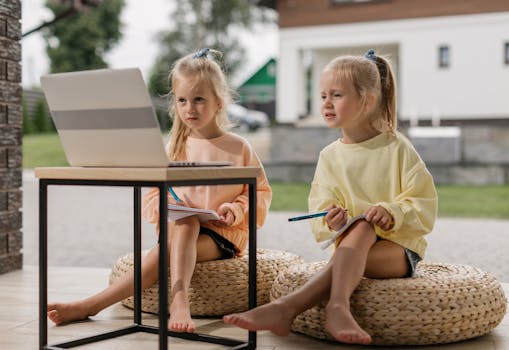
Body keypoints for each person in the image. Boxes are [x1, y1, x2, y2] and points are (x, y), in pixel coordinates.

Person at [47, 48, 272, 333]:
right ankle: (93, 305)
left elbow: (260, 191)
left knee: (181, 229)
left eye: (199, 100)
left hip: (223, 236)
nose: (190, 108)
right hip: (178, 229)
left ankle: (95, 305)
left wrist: (235, 209)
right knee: (185, 221)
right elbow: (154, 195)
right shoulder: (172, 148)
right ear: (175, 104)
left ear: (218, 102)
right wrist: (168, 206)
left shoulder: (238, 147)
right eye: (182, 100)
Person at [223, 50, 438, 345]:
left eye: (337, 95)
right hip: (350, 249)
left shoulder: (397, 148)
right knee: (358, 230)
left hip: (399, 252)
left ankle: (298, 306)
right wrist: (332, 219)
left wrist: (392, 212)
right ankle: (317, 308)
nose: (326, 103)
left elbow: (424, 204)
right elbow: (321, 209)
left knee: (362, 227)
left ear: (369, 100)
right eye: (323, 95)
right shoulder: (330, 157)